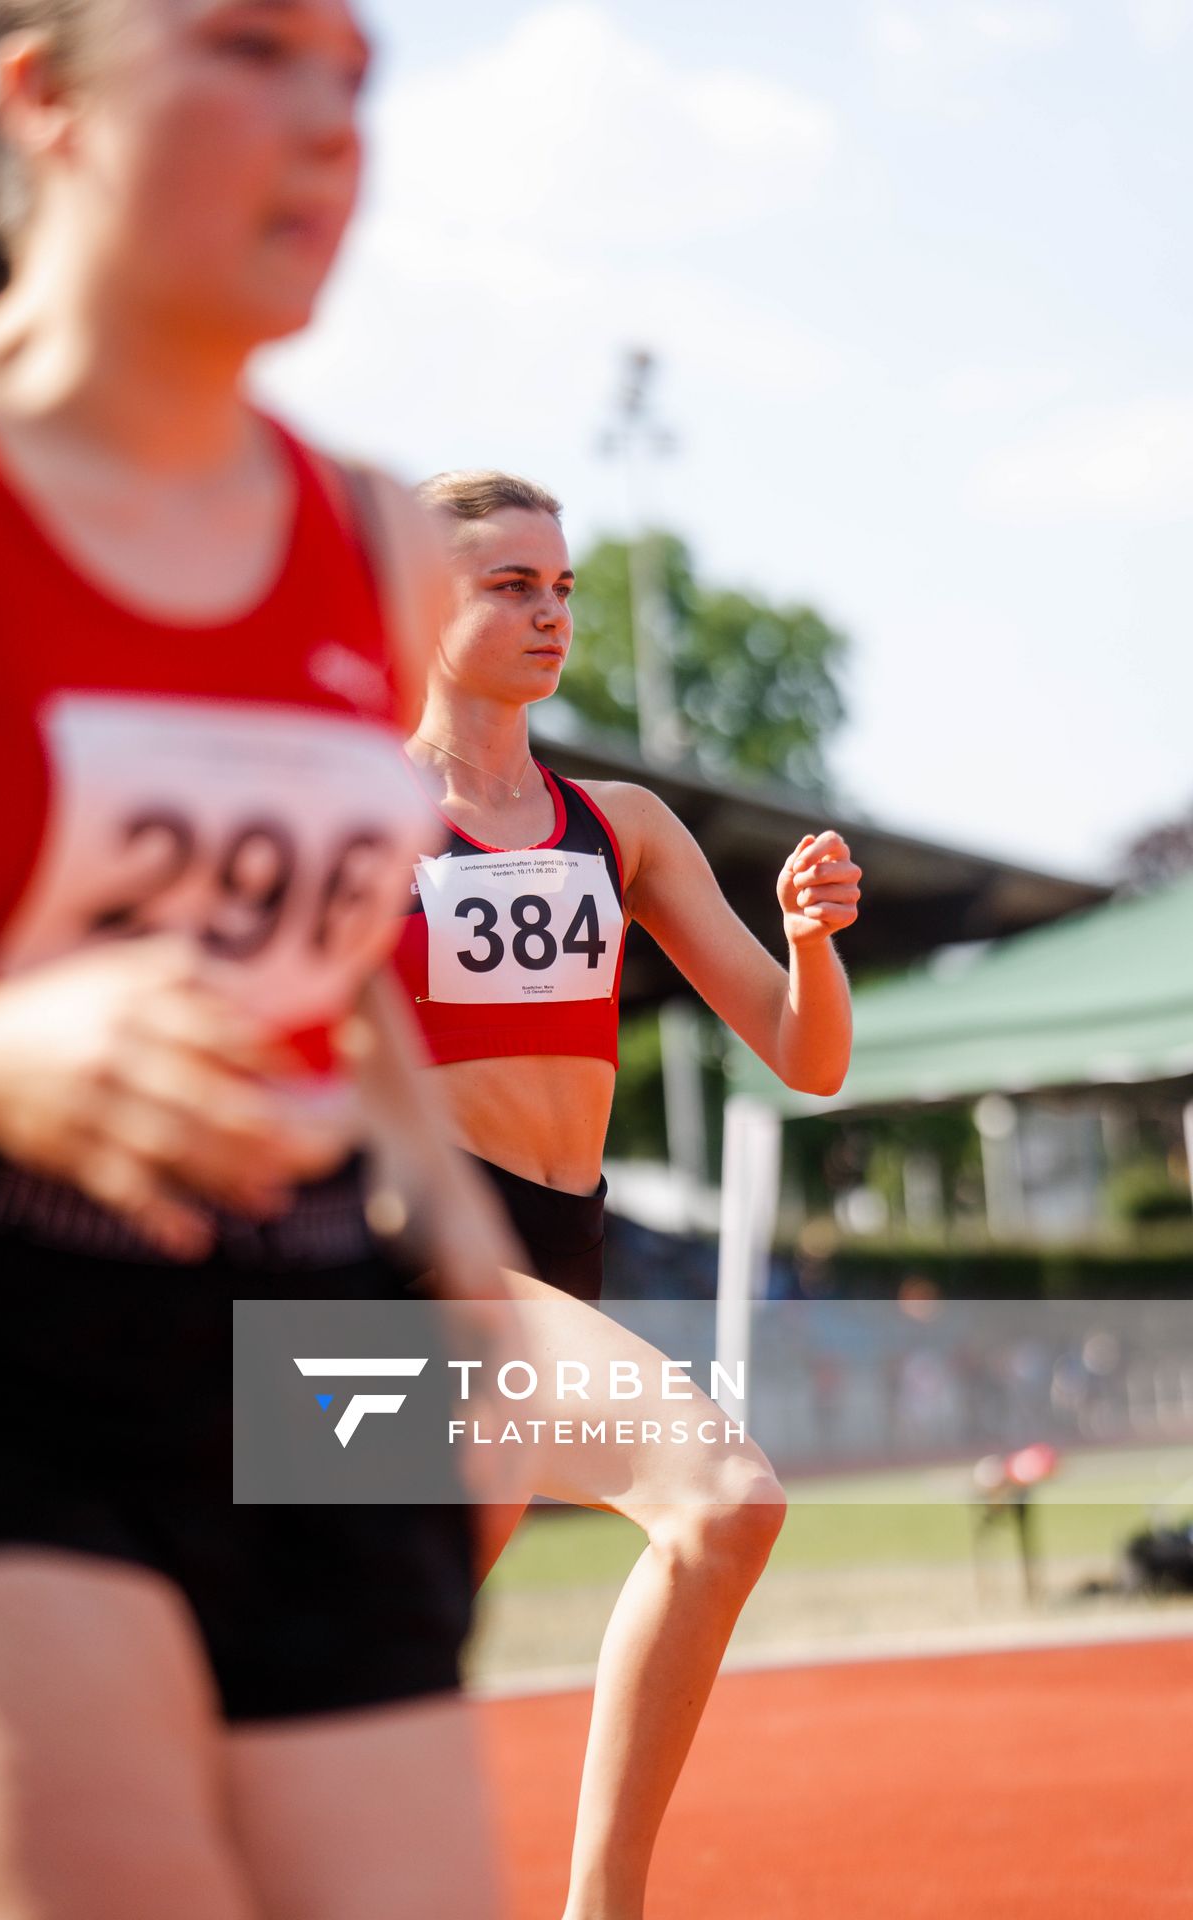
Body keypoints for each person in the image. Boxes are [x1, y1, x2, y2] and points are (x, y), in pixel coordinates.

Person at [0, 8, 514, 1918]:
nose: (326, 124)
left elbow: (333, 969)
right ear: (45, 95)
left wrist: (461, 1246)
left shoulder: (376, 539)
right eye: (251, 50)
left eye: (354, 73)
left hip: (315, 1339)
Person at [394, 468, 862, 1920]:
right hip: (426, 1260)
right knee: (723, 1503)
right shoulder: (356, 808)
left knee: (355, 1667)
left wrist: (811, 942)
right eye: (508, 585)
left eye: (563, 586)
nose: (549, 613)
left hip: (558, 1253)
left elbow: (806, 1056)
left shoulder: (624, 826)